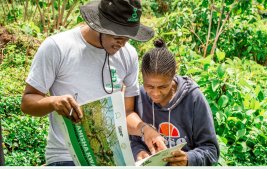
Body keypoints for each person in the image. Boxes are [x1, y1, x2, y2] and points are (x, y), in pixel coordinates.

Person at [20, 0, 166, 166]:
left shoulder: (128, 54)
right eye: (118, 36)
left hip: (111, 157)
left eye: (128, 38)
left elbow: (125, 113)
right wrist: (53, 102)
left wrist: (145, 130)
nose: (122, 43)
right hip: (67, 158)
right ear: (100, 25)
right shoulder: (58, 47)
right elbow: (27, 102)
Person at [130, 39, 220, 166]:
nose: (155, 93)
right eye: (149, 86)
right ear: (142, 78)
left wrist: (189, 159)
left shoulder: (193, 98)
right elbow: (133, 140)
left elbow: (211, 150)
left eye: (163, 87)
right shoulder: (139, 97)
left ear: (173, 77)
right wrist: (139, 152)